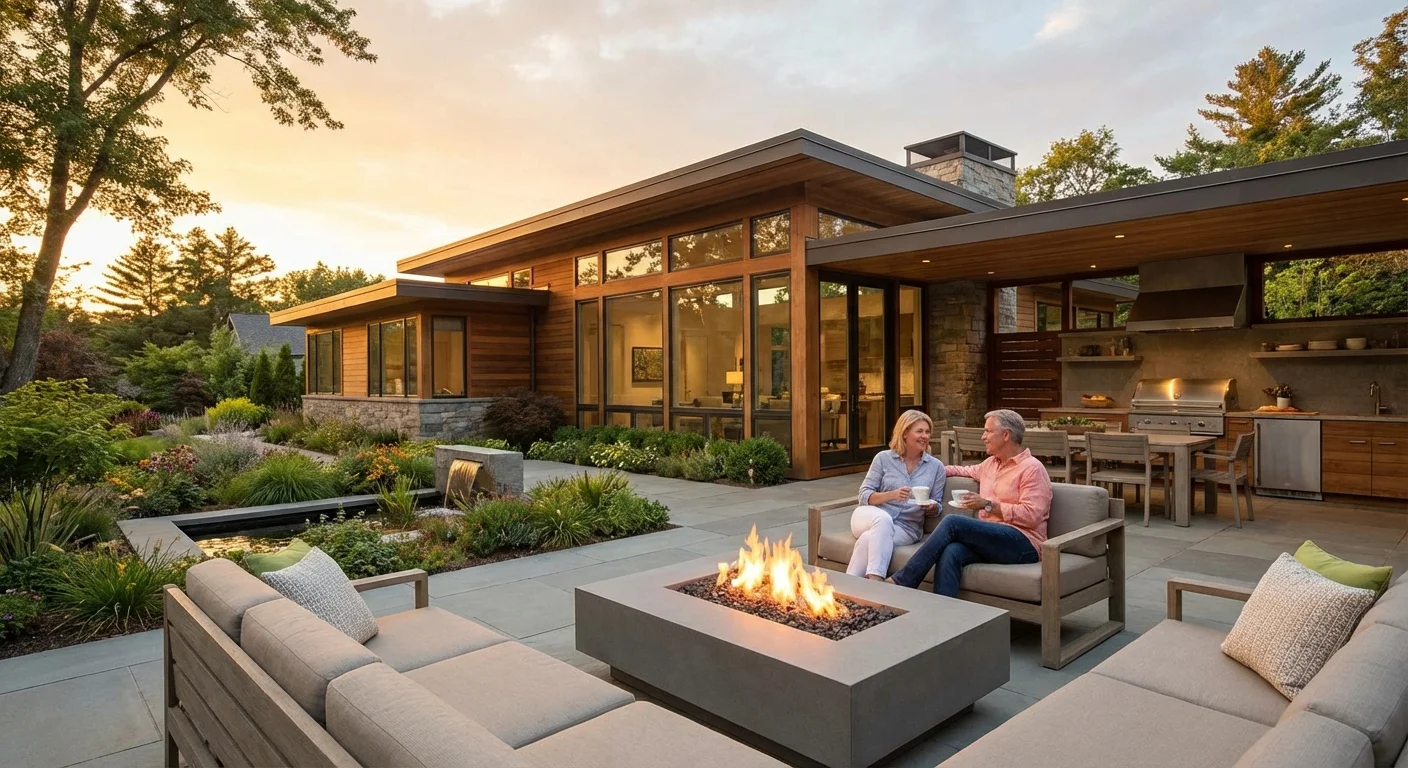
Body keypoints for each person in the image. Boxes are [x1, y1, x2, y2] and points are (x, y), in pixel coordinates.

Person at [887, 409, 1052, 596]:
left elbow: (1031, 516)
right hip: (991, 539)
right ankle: (943, 609)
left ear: (1006, 435)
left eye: (988, 431)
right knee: (952, 551)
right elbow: (959, 470)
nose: (983, 437)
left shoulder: (1032, 469)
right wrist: (923, 469)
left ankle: (903, 580)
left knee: (953, 522)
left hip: (1024, 544)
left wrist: (988, 505)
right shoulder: (990, 464)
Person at [848, 410, 944, 581]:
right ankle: (876, 581)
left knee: (868, 539)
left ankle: (848, 586)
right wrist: (892, 495)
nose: (925, 436)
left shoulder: (936, 467)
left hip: (906, 528)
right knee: (883, 520)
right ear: (905, 433)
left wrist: (931, 507)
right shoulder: (883, 458)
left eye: (927, 432)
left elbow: (937, 505)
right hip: (870, 516)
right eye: (919, 431)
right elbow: (864, 495)